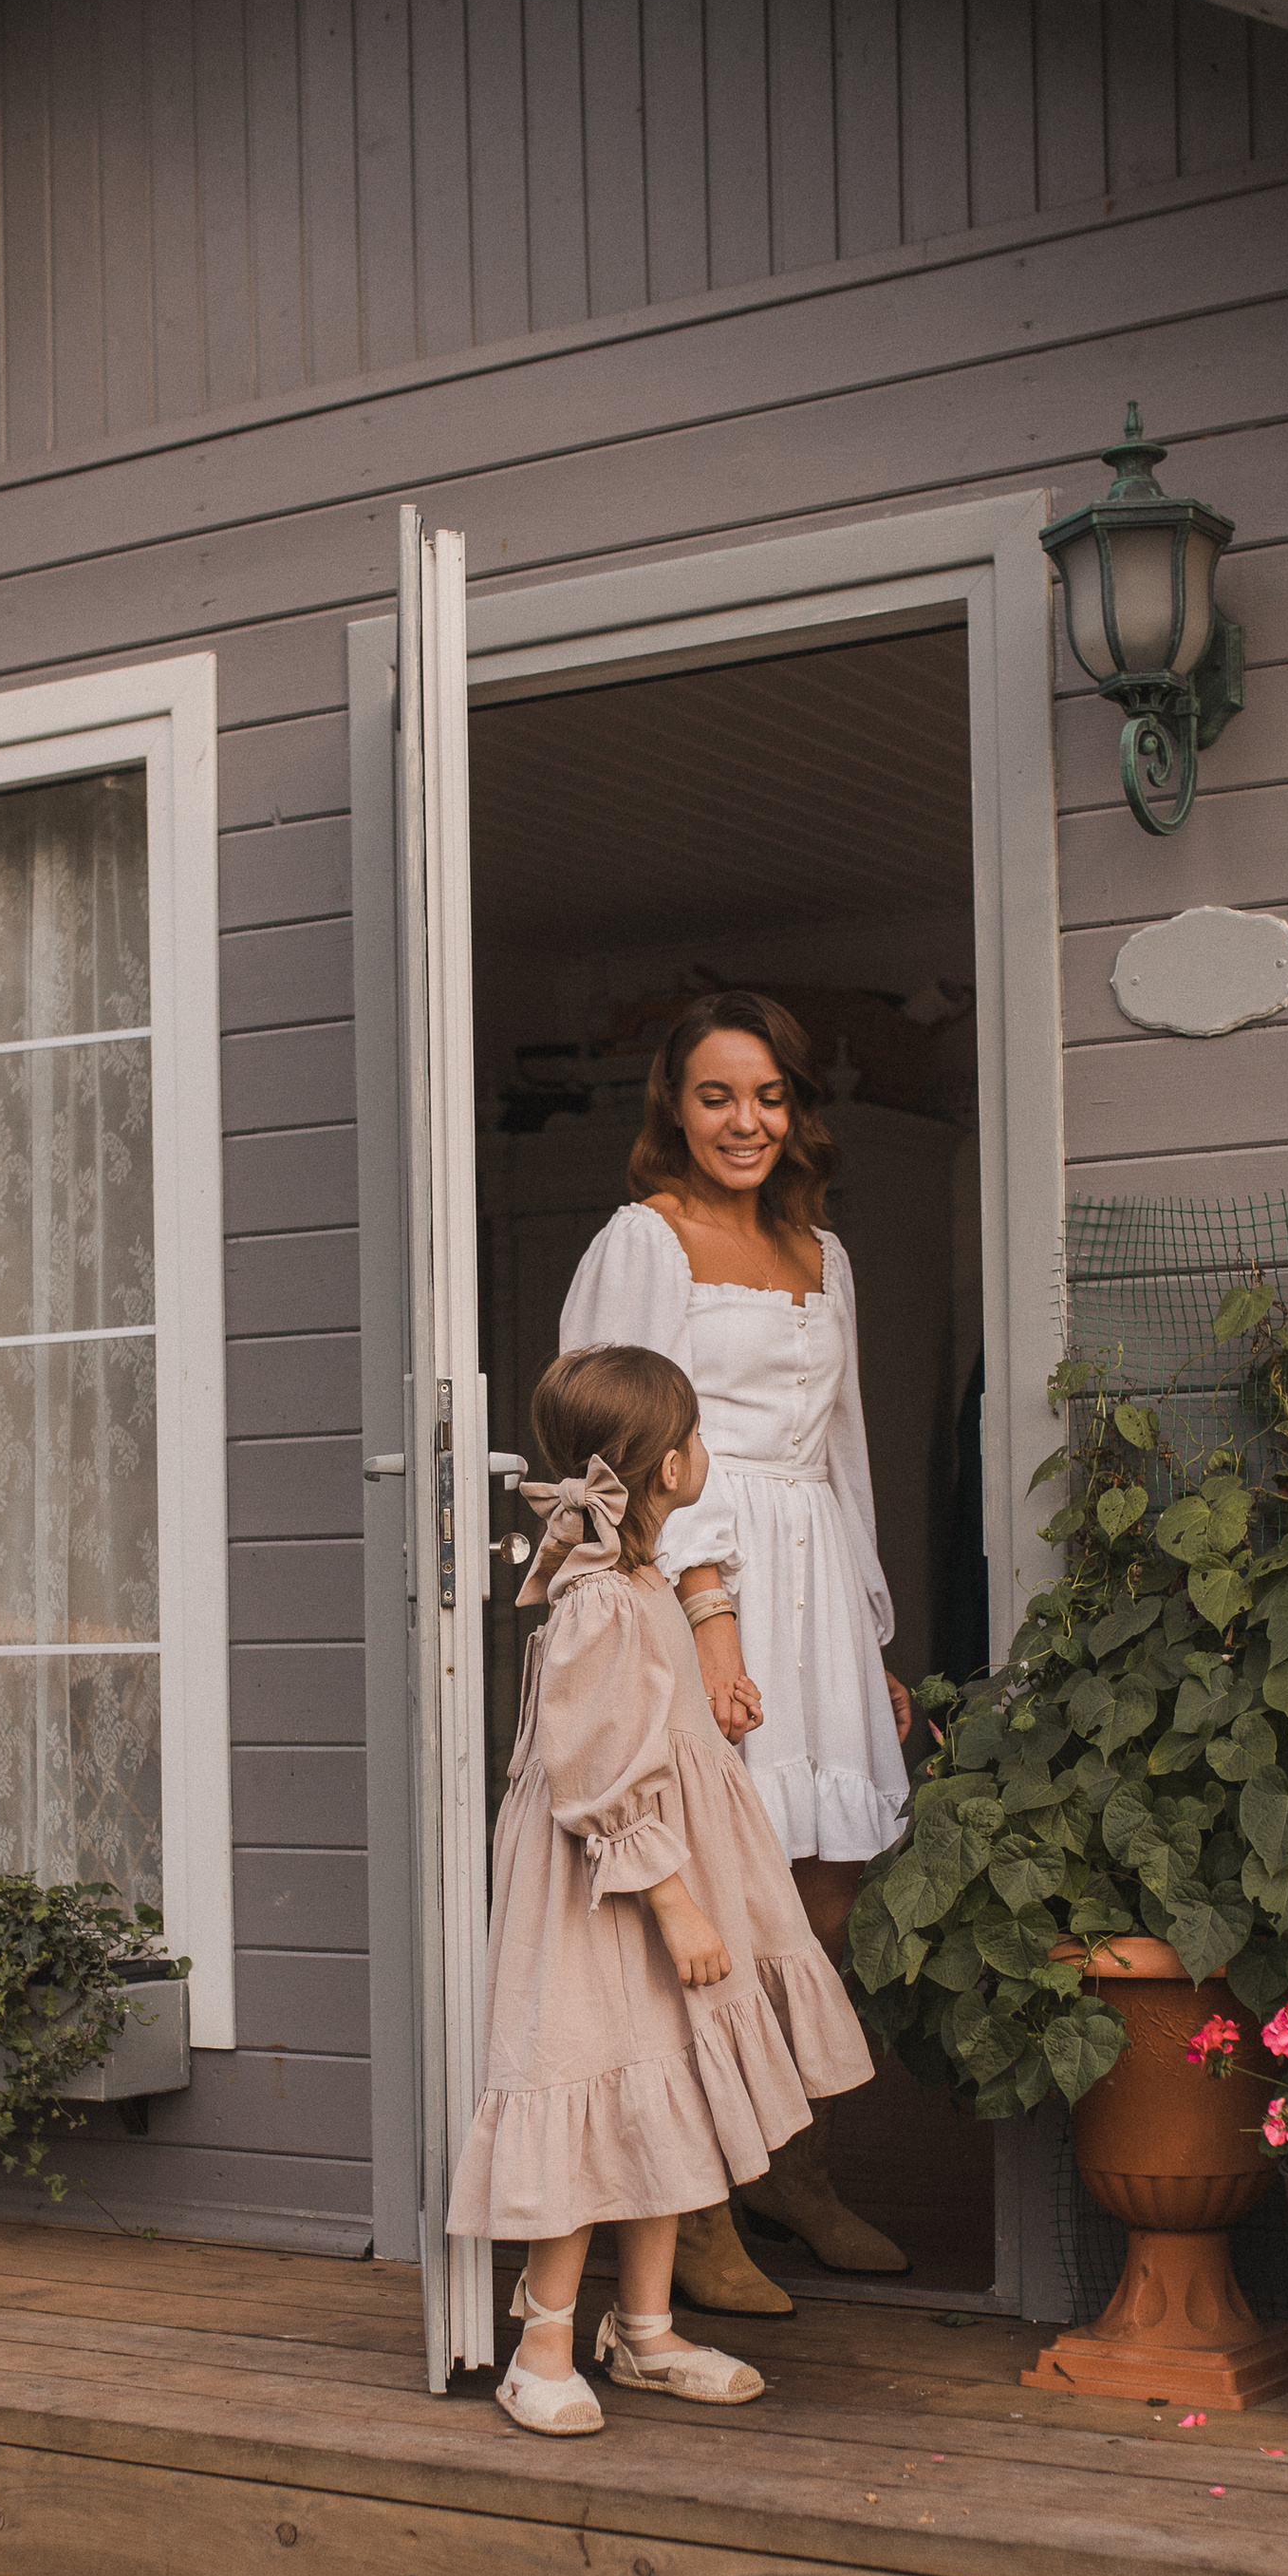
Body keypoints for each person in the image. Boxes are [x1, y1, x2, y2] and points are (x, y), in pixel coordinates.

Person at [558, 987, 911, 2312]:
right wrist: (701, 1606)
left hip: (816, 1578)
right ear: (677, 1107)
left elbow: (844, 1455)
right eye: (717, 1095)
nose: (744, 1121)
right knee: (713, 1897)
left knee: (819, 1905)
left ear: (796, 1109)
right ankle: (695, 2211)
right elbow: (617, 1433)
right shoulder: (643, 1239)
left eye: (767, 1096)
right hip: (706, 1577)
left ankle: (789, 2171)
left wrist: (872, 1635)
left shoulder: (827, 1253)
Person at [449, 1343, 874, 2436]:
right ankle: (542, 2337)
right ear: (669, 1464)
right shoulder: (597, 1603)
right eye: (692, 1436)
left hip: (663, 1878)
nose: (701, 1454)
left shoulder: (640, 1583)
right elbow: (595, 1779)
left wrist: (711, 1703)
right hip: (616, 1896)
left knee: (666, 2099)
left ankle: (643, 2331)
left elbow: (649, 1731)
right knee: (594, 2094)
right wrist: (677, 1904)